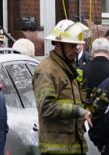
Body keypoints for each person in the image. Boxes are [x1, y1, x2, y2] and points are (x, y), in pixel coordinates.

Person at [32, 19, 92, 155]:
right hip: (57, 149)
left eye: (76, 46)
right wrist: (78, 111)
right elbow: (46, 108)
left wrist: (89, 107)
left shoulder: (66, 68)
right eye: (71, 46)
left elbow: (70, 101)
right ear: (58, 44)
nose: (76, 51)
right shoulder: (47, 70)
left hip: (73, 146)